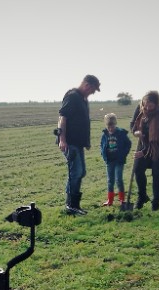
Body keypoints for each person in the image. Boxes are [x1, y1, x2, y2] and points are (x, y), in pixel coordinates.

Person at [57, 74, 101, 215]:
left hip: (78, 143)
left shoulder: (83, 99)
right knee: (76, 172)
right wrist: (62, 139)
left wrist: (86, 142)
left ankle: (74, 205)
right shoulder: (73, 97)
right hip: (69, 142)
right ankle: (71, 205)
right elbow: (62, 118)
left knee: (81, 172)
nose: (92, 93)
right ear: (87, 85)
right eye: (93, 90)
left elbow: (82, 121)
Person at [99, 113, 132, 206]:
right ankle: (110, 200)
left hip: (119, 161)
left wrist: (124, 154)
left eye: (112, 126)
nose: (110, 129)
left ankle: (122, 199)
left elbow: (128, 144)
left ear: (115, 124)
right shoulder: (105, 135)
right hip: (109, 161)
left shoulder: (121, 133)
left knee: (118, 179)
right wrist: (103, 154)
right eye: (108, 127)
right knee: (110, 181)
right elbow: (101, 145)